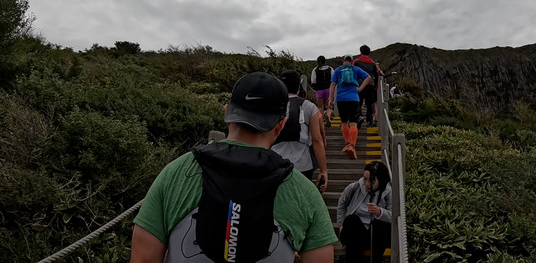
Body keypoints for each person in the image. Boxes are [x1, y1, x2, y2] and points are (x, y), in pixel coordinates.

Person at [130, 72, 337, 263]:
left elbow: (143, 259)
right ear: (281, 124)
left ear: (227, 112)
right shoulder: (304, 192)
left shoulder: (175, 173)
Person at [271, 70, 328, 193]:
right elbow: (317, 140)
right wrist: (323, 171)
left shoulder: (272, 105)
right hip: (303, 164)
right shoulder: (309, 106)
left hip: (275, 163)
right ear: (299, 86)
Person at [337, 161, 392, 263]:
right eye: (365, 179)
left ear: (380, 179)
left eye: (371, 180)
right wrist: (341, 225)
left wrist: (380, 212)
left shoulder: (388, 192)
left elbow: (394, 216)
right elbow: (342, 203)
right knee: (351, 219)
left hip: (376, 237)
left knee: (379, 224)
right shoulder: (355, 187)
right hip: (355, 233)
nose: (367, 183)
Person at [328, 55, 372, 160]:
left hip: (341, 98)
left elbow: (333, 84)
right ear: (352, 61)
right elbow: (368, 77)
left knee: (344, 122)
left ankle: (347, 143)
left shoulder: (338, 70)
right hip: (353, 98)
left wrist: (330, 99)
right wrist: (360, 88)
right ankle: (352, 145)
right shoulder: (355, 69)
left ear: (343, 61)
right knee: (353, 123)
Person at [352, 45, 384, 127]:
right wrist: (375, 86)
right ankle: (369, 121)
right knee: (369, 104)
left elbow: (352, 73)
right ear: (369, 52)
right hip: (370, 83)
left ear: (360, 51)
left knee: (358, 101)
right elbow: (376, 74)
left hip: (360, 83)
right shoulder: (373, 63)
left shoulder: (356, 61)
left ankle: (359, 116)